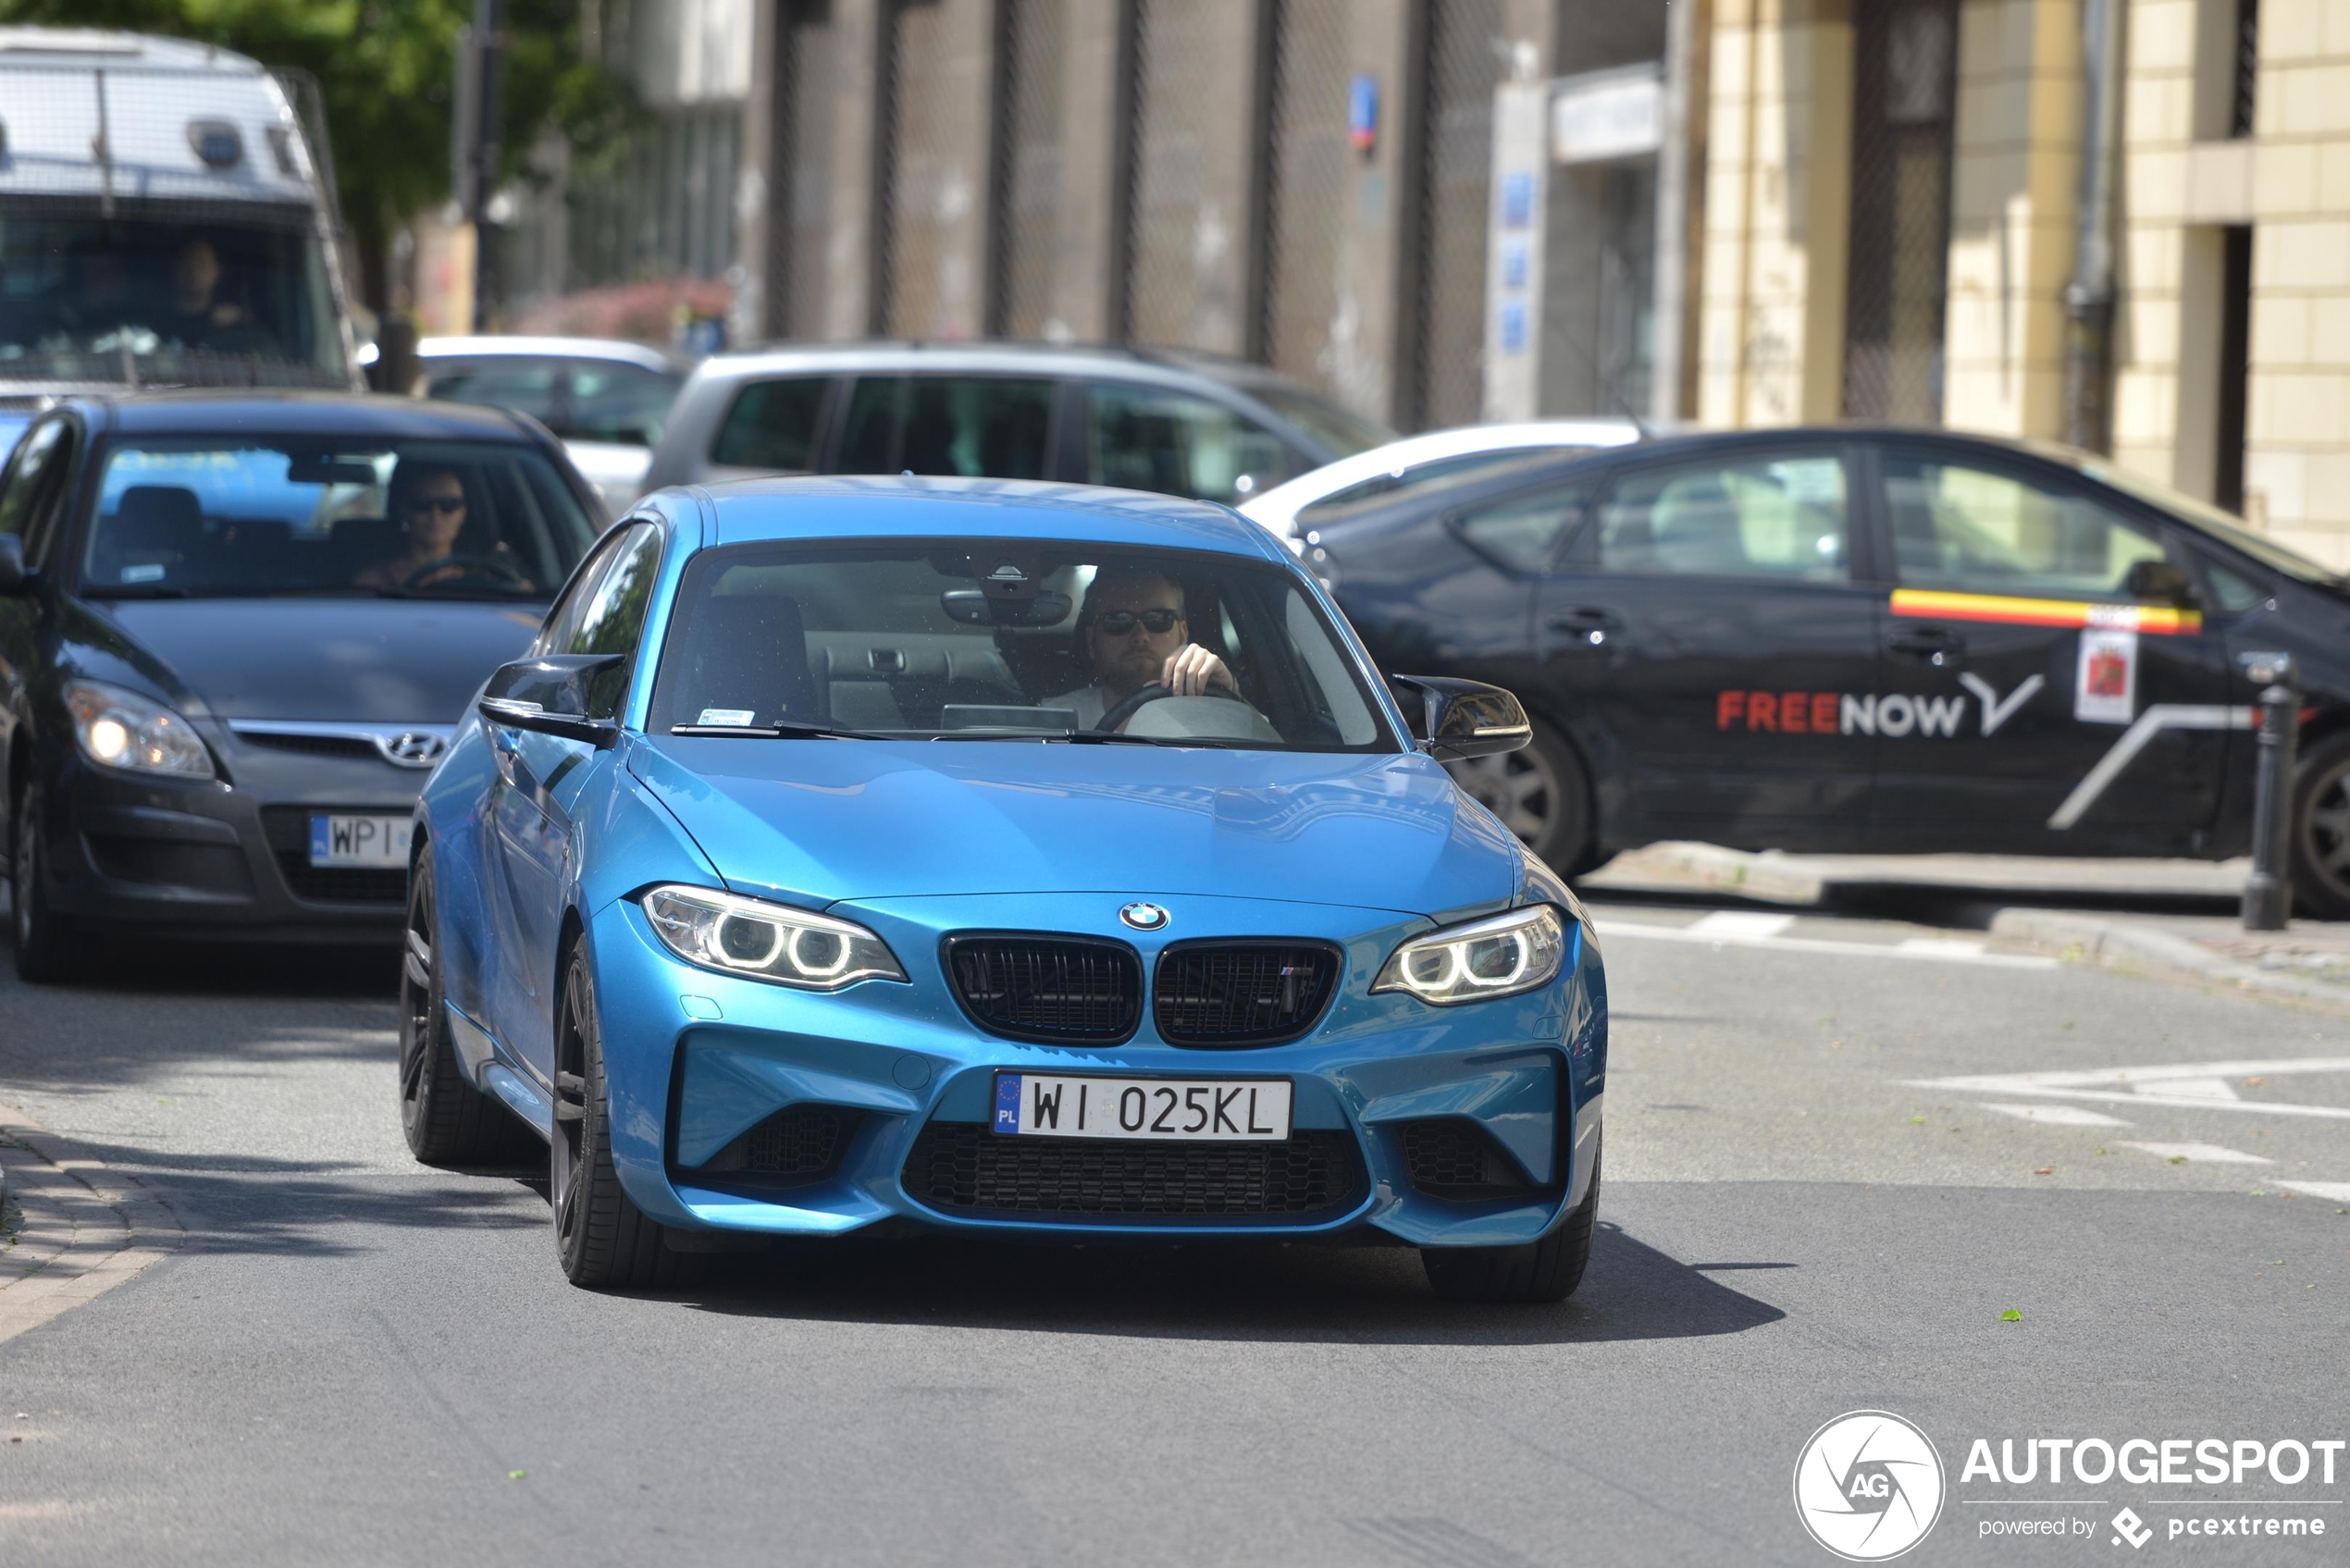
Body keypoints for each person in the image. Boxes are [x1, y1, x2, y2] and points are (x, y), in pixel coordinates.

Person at [1046, 565, 1237, 729]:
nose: (1140, 636)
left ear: (1183, 634)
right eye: (1118, 620)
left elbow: (1262, 748)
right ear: (1091, 640)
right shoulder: (1054, 721)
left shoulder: (1212, 712)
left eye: (1158, 619)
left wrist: (1230, 695)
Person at [357, 464, 474, 588]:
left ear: (463, 513)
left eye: (449, 504)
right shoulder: (372, 581)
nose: (435, 514)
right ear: (404, 511)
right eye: (422, 504)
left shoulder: (483, 584)